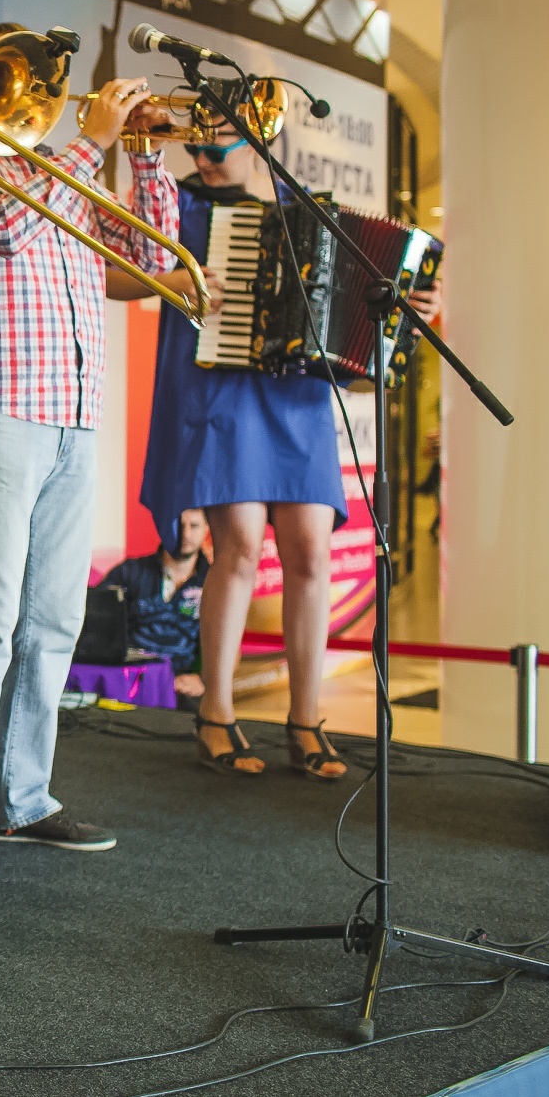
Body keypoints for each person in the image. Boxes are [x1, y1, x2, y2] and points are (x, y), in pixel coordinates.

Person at [0, 28, 176, 879]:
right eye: (17, 79)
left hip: (75, 415)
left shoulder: (71, 171)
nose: (35, 97)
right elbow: (1, 233)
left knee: (54, 618)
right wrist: (95, 141)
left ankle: (22, 799)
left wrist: (146, 158)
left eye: (40, 83)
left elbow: (153, 263)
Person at [114, 119, 438, 779]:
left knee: (312, 552)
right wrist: (177, 280)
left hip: (299, 399)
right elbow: (120, 273)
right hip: (227, 391)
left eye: (215, 147)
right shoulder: (183, 203)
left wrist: (410, 312)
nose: (201, 158)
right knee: (238, 548)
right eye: (194, 147)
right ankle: (217, 713)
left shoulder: (310, 211)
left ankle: (305, 718)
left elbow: (363, 310)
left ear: (256, 143)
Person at [95, 508, 211, 697]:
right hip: (127, 678)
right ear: (163, 526)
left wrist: (205, 680)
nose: (186, 534)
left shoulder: (215, 582)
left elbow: (231, 645)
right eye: (178, 525)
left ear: (207, 528)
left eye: (194, 526)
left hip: (181, 684)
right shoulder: (129, 572)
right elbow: (94, 622)